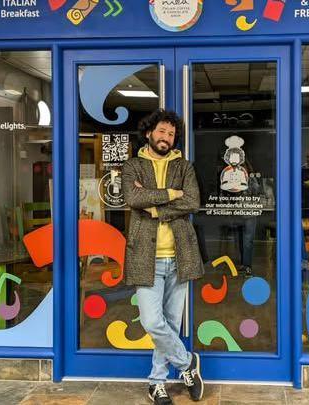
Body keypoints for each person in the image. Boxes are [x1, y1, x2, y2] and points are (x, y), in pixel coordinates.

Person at [122, 109, 205, 405]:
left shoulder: (184, 165)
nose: (166, 138)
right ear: (149, 133)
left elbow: (193, 200)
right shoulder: (132, 165)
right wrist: (172, 193)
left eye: (171, 134)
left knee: (169, 322)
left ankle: (157, 382)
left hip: (180, 255)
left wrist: (155, 206)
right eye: (161, 132)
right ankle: (187, 365)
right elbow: (132, 199)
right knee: (152, 321)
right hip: (147, 256)